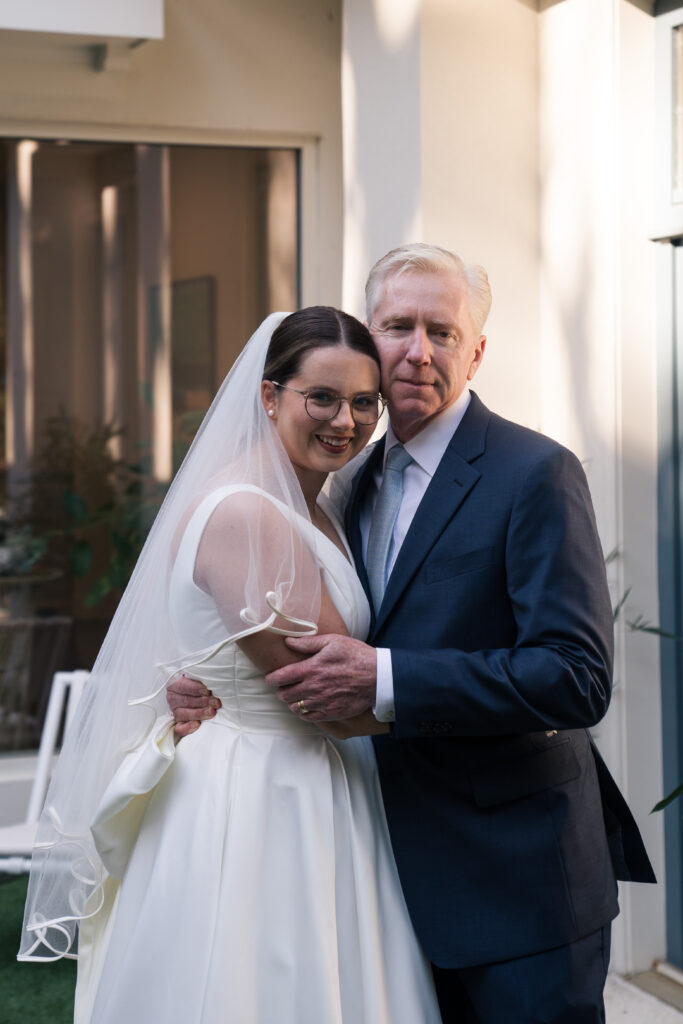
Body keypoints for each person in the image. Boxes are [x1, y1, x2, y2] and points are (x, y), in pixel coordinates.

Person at [171, 245, 656, 1024]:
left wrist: (389, 679)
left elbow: (575, 676)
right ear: (370, 333)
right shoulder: (345, 480)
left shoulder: (534, 472)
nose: (418, 350)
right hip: (378, 873)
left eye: (442, 330)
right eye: (398, 326)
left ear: (477, 351)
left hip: (515, 882)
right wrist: (216, 684)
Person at [18, 306, 442, 1024]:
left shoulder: (319, 505)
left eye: (363, 402)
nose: (345, 420)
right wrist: (481, 700)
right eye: (323, 398)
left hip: (313, 779)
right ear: (269, 396)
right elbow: (337, 705)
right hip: (263, 793)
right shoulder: (249, 513)